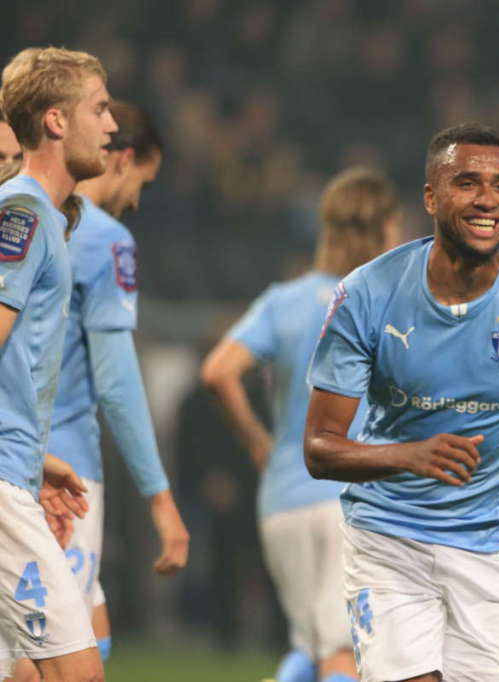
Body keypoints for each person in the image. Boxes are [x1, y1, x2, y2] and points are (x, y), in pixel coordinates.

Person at [304, 122, 499, 682]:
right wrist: (407, 456)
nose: (488, 199)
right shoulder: (366, 294)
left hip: (493, 548)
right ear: (430, 197)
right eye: (468, 183)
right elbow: (320, 448)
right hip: (388, 536)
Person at [200, 167, 401, 682]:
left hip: (283, 496)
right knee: (346, 651)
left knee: (309, 646)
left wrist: (259, 443)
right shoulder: (385, 301)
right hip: (350, 498)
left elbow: (218, 371)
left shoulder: (283, 300)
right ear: (382, 227)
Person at [47, 99, 190, 666]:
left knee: (90, 633)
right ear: (124, 159)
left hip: (24, 458)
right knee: (48, 659)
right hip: (62, 473)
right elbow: (117, 381)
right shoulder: (104, 238)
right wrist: (160, 497)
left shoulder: (21, 216)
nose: (136, 200)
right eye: (143, 184)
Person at [0, 46, 118, 682]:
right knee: (79, 671)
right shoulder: (23, 212)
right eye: (99, 109)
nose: (111, 126)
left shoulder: (36, 213)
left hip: (14, 471)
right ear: (55, 120)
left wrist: (32, 458)